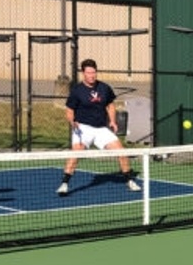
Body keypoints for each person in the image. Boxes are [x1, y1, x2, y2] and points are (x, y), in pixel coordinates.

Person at [56, 58, 141, 196]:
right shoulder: (77, 90)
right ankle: (64, 183)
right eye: (89, 72)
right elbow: (70, 111)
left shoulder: (104, 88)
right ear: (84, 73)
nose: (92, 75)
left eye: (94, 72)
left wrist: (112, 121)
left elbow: (110, 105)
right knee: (76, 152)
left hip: (101, 129)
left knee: (122, 152)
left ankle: (129, 180)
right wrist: (72, 122)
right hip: (83, 128)